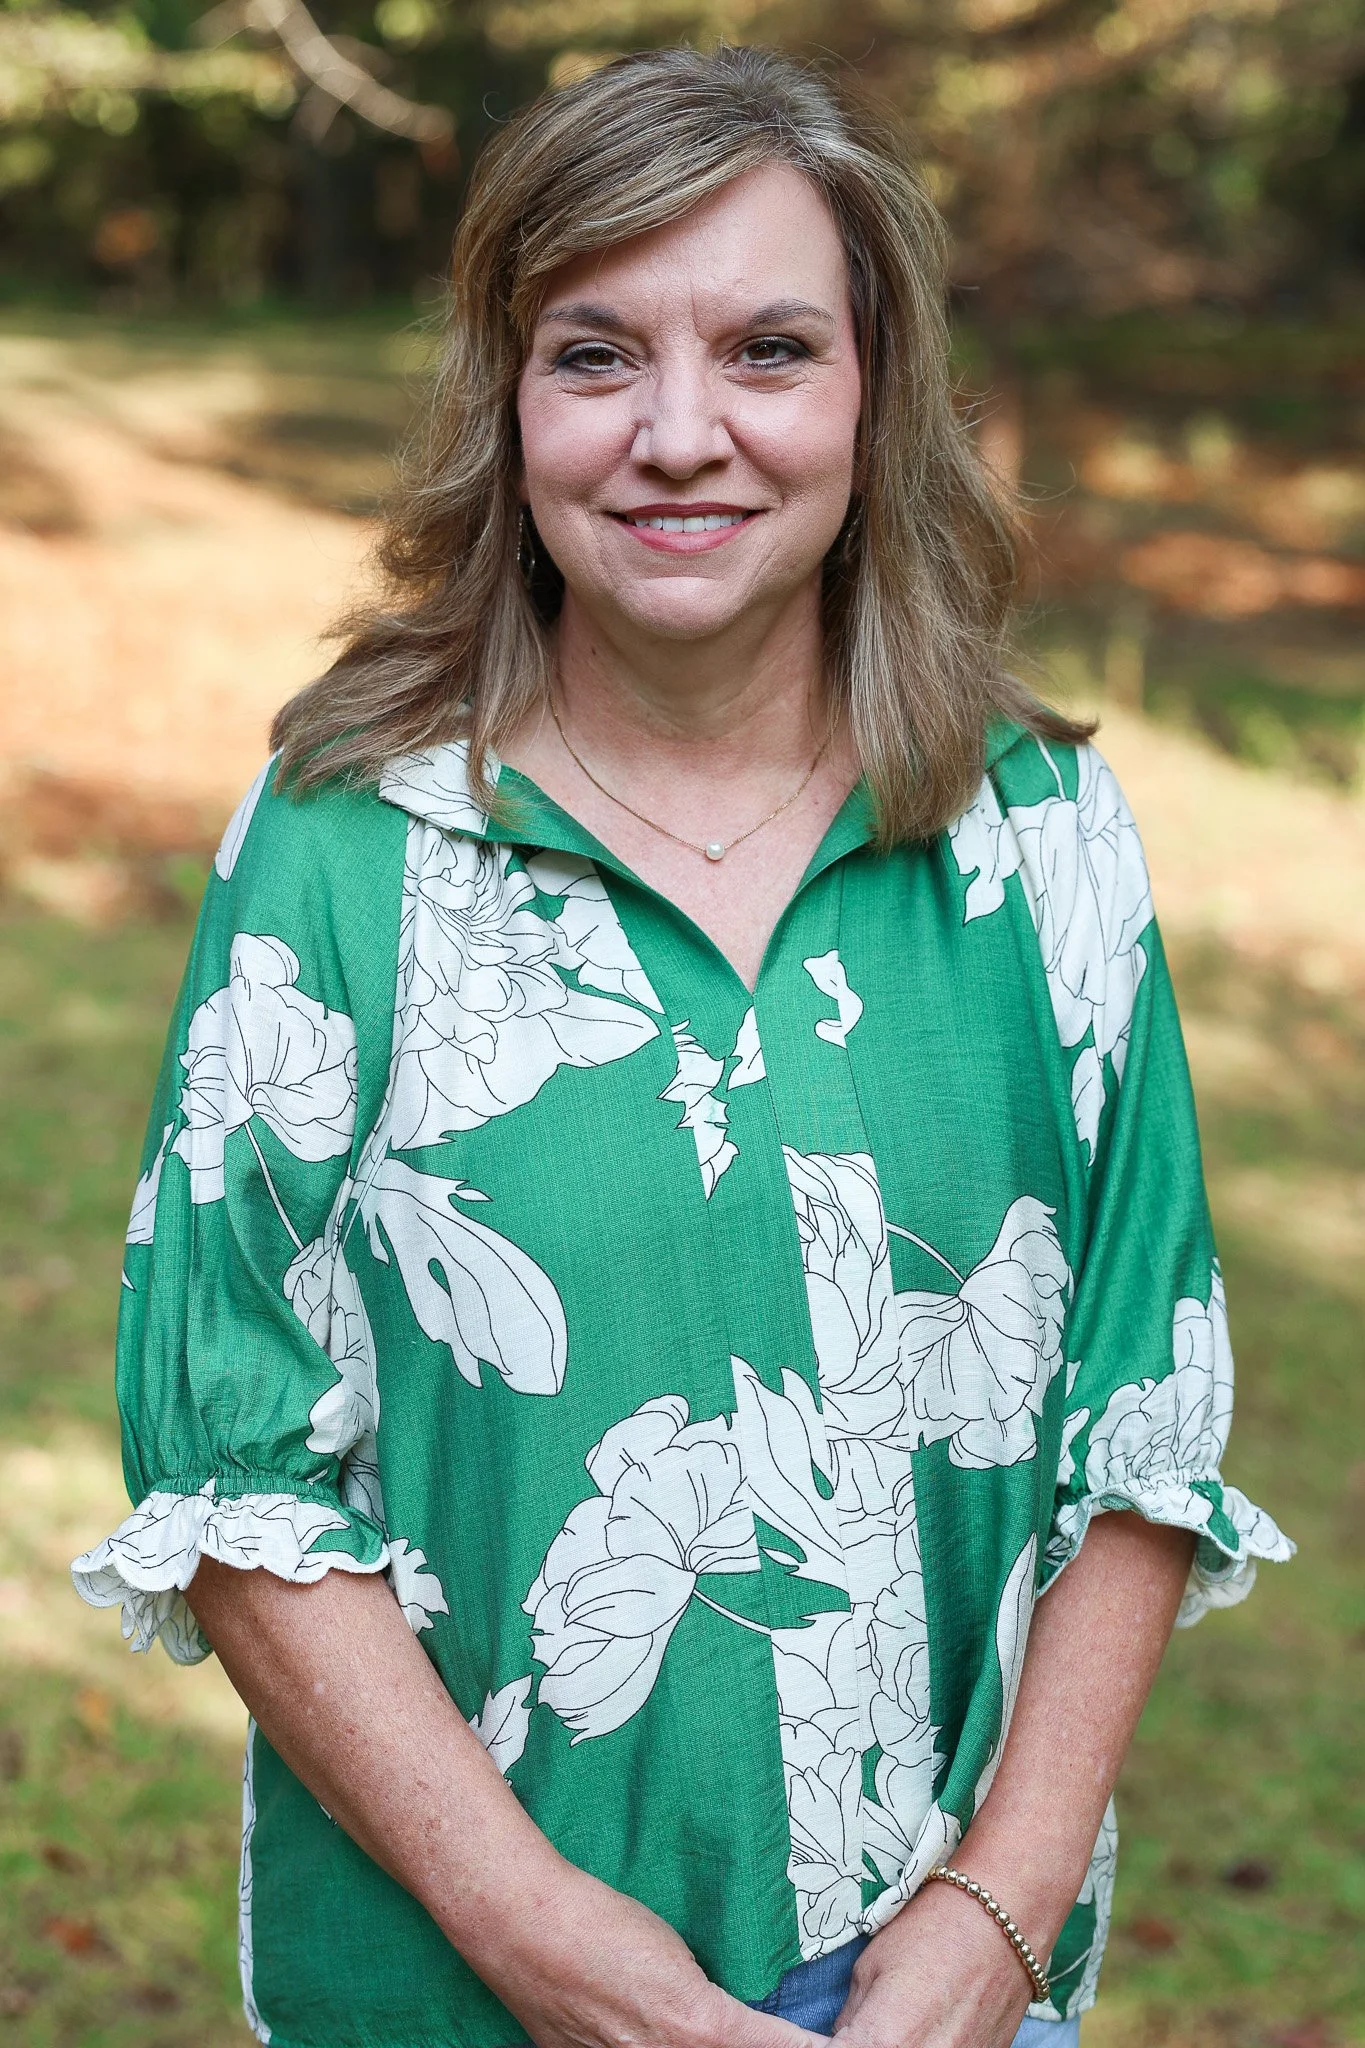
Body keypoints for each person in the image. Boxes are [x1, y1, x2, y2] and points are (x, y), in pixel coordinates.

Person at [72, 44, 1292, 2048]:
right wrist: (549, 1946)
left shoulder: (1041, 843)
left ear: (872, 395)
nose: (678, 434)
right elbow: (240, 1484)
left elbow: (1138, 1433)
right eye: (596, 353)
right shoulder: (339, 845)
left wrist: (995, 1920)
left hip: (937, 1991)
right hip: (461, 1991)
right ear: (508, 400)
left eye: (767, 351)